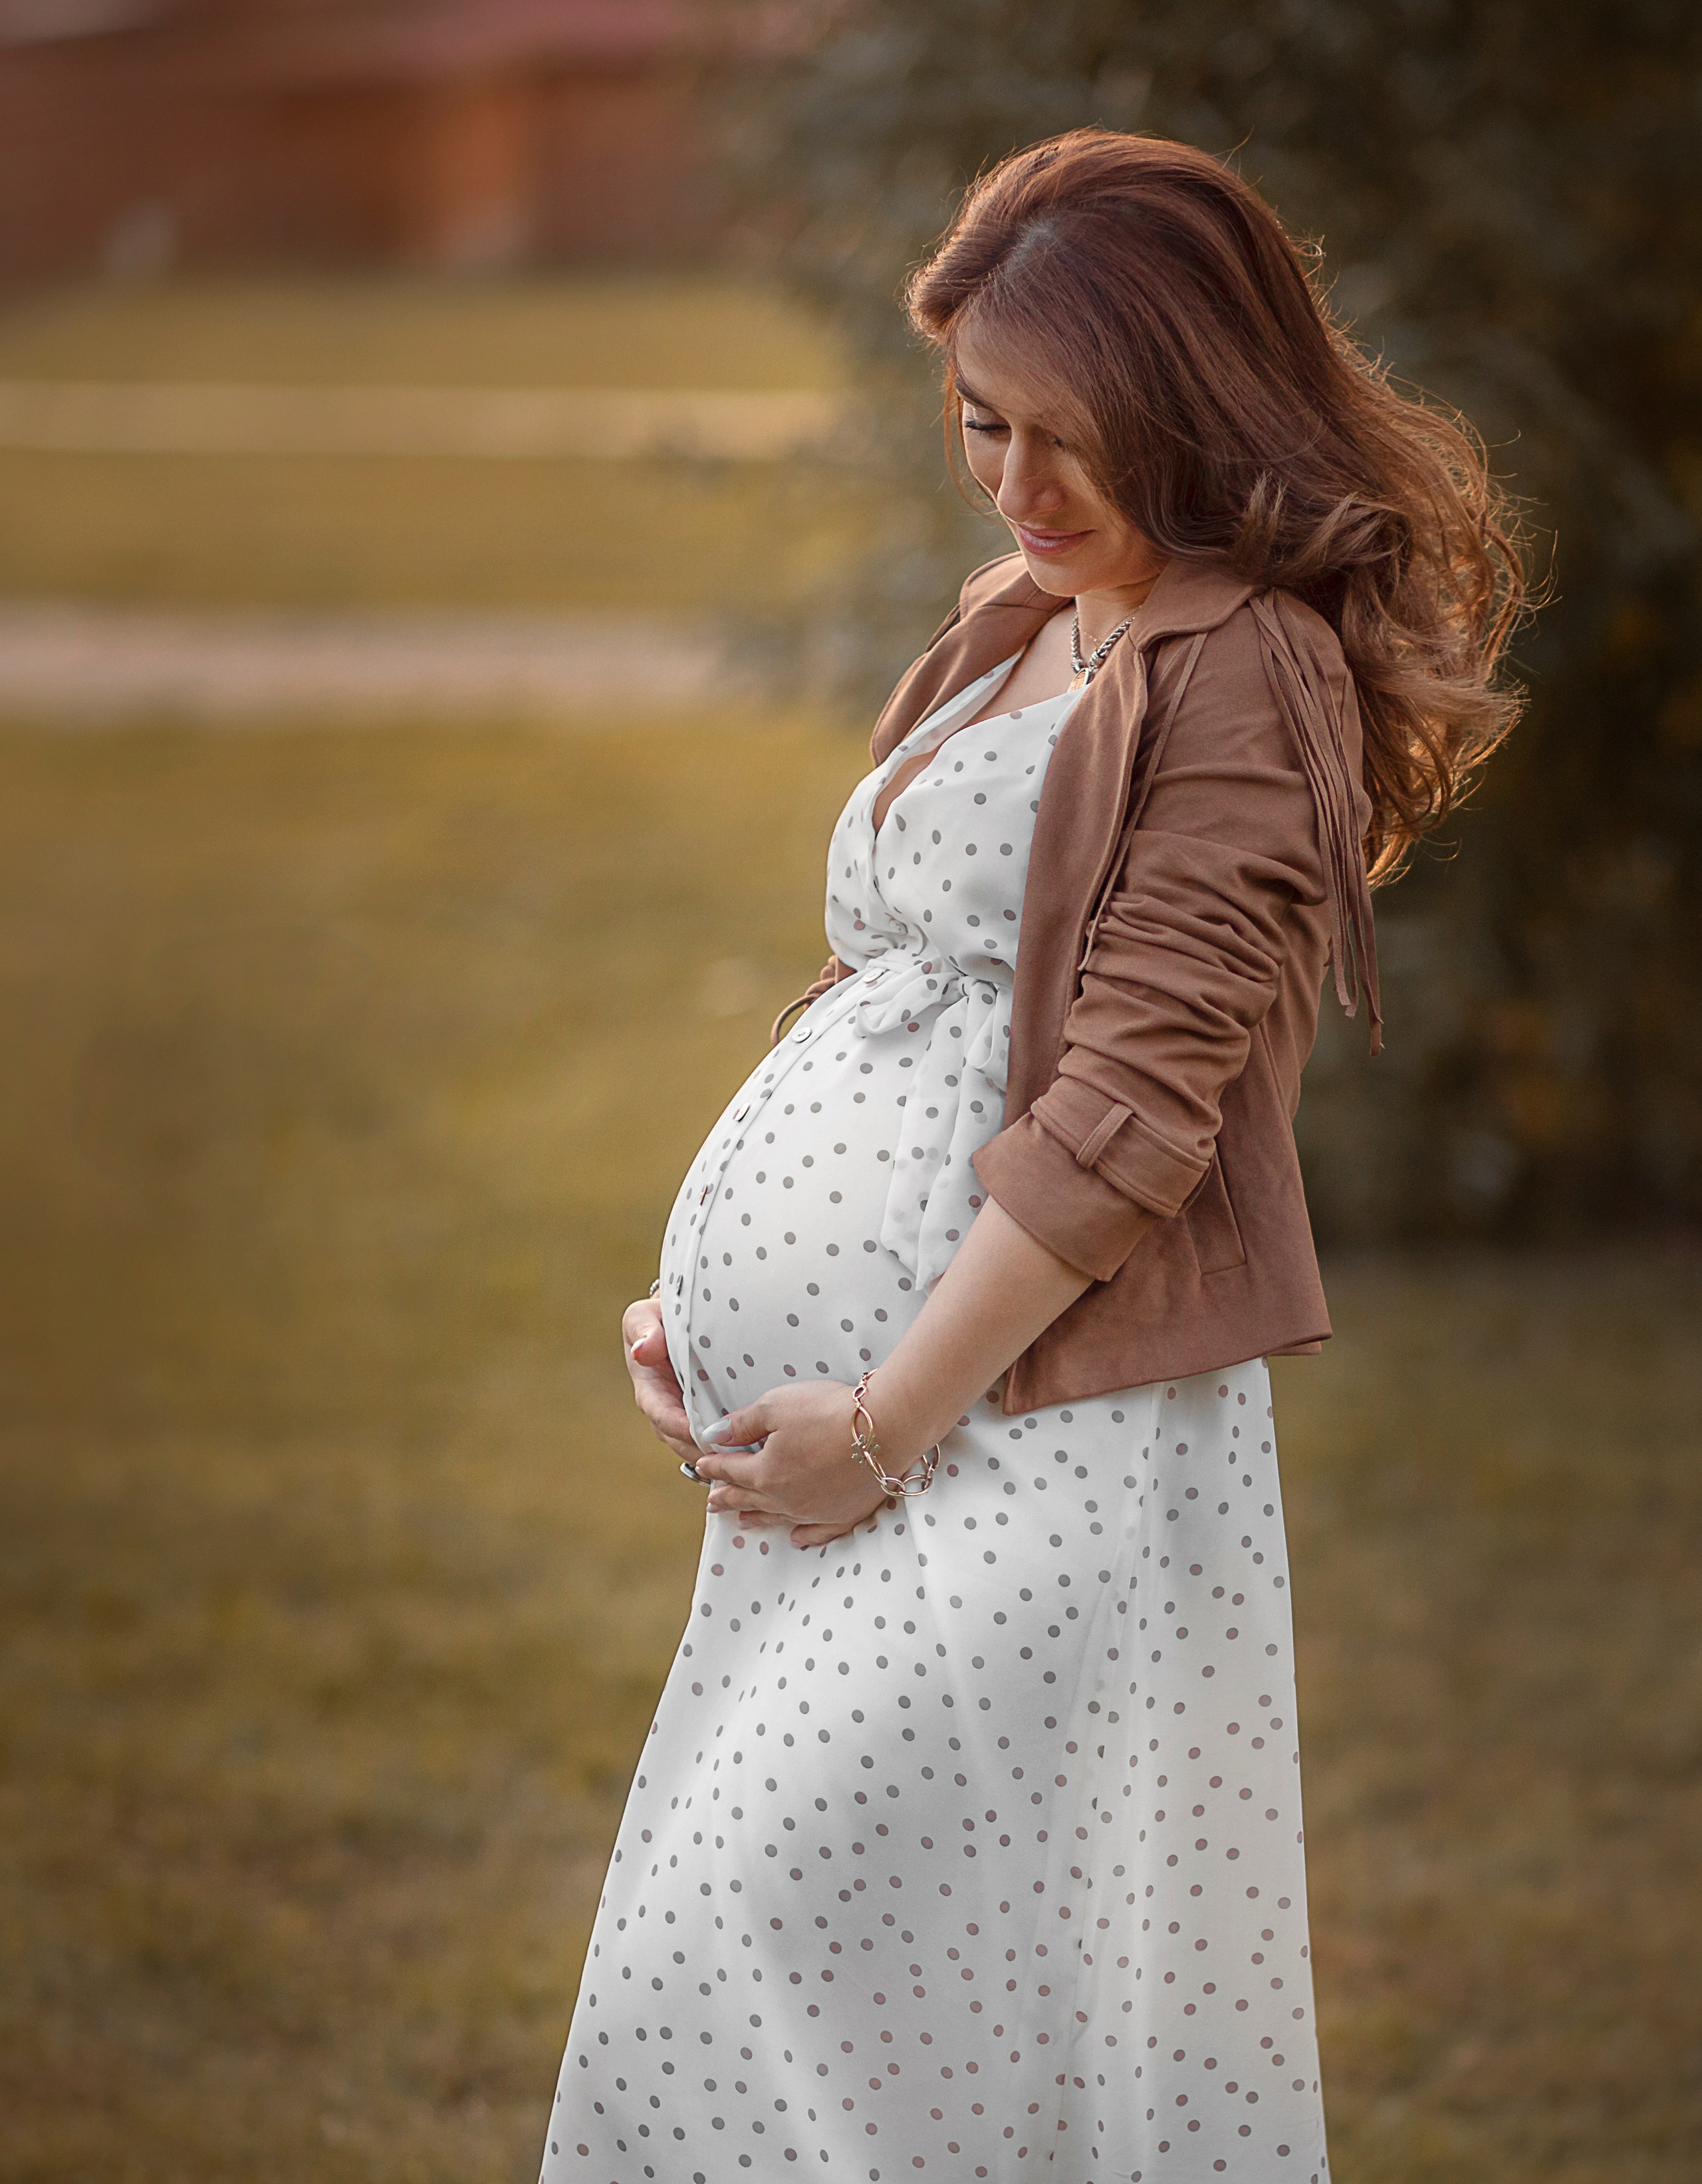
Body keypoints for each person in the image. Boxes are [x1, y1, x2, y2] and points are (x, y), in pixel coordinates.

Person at [539, 129, 1522, 2183]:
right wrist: (718, 1301)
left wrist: (883, 1417)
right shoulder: (1031, 615)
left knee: (737, 1953)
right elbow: (904, 985)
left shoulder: (1245, 664)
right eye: (984, 423)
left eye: (1079, 442)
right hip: (853, 1440)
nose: (1020, 487)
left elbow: (1135, 1111)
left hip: (1024, 1442)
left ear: (1205, 409)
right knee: (897, 2018)